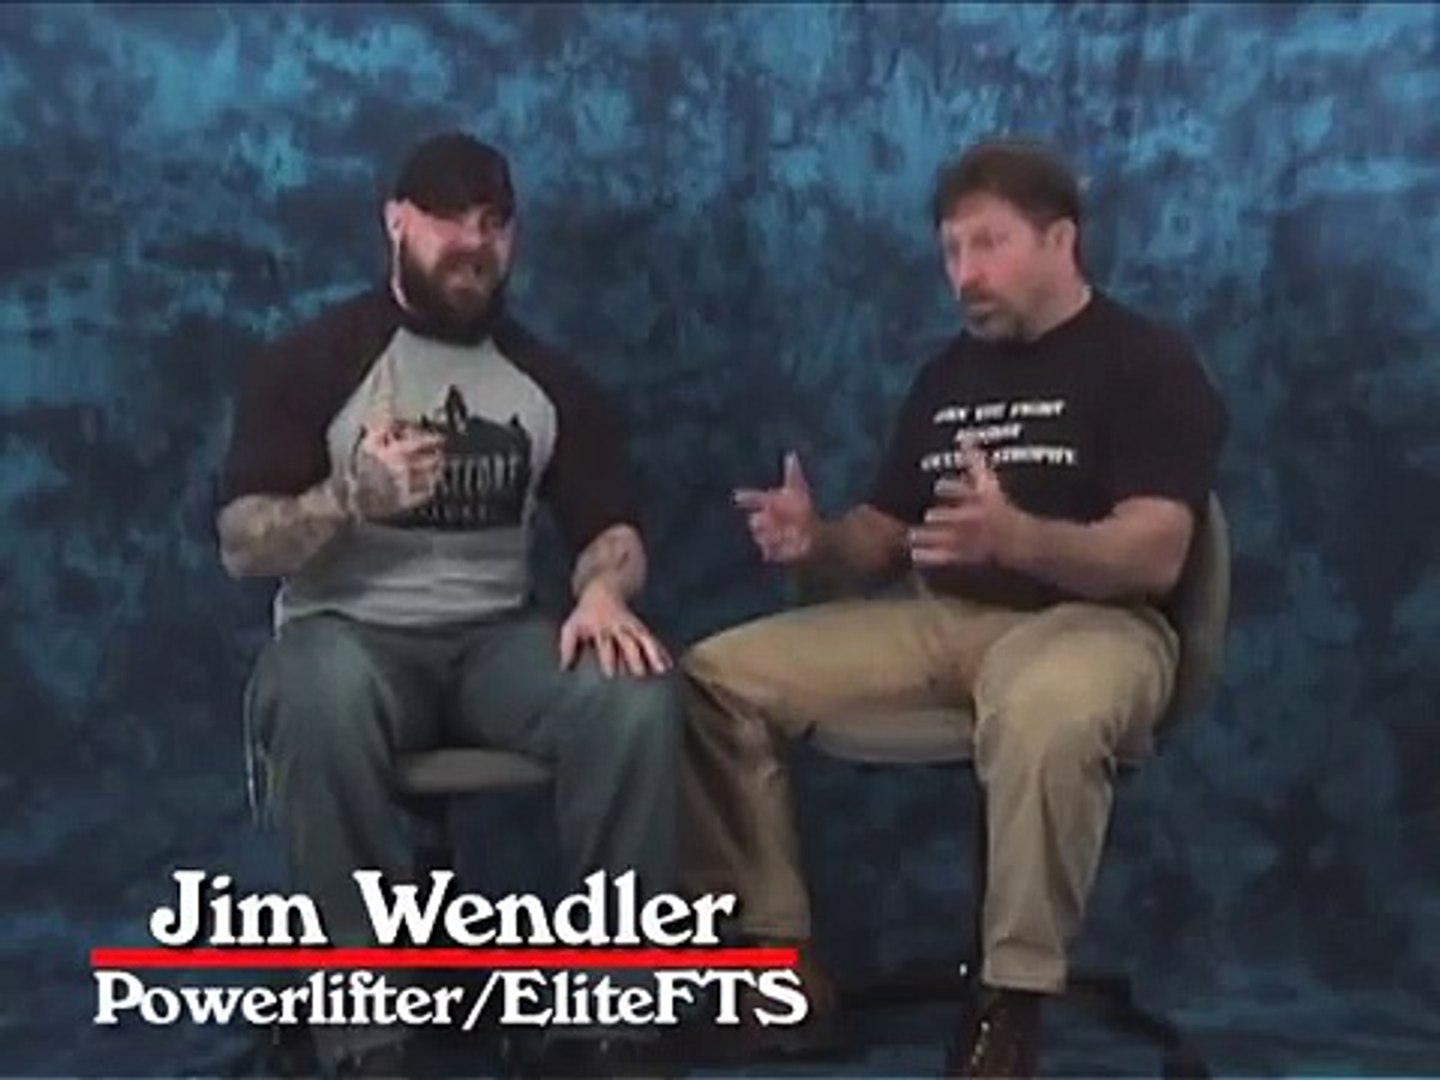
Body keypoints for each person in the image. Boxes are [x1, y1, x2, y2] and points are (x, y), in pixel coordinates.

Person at [678, 138, 1228, 1076]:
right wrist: (818, 541)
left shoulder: (1148, 363)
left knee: (1044, 703)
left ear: (1061, 241)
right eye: (950, 251)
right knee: (716, 678)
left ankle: (1011, 1002)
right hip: (942, 622)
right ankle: (778, 971)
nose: (964, 273)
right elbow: (880, 539)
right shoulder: (949, 376)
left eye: (989, 244)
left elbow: (1157, 549)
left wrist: (1020, 539)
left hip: (1100, 624)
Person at [216, 131, 682, 1076]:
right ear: (396, 222)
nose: (473, 243)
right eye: (447, 220)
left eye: (494, 223)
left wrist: (602, 590)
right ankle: (365, 1035)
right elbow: (242, 544)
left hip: (491, 642)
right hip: (347, 636)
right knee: (314, 688)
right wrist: (351, 497)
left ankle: (611, 1022)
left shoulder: (548, 380)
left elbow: (613, 528)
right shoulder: (312, 361)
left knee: (633, 692)